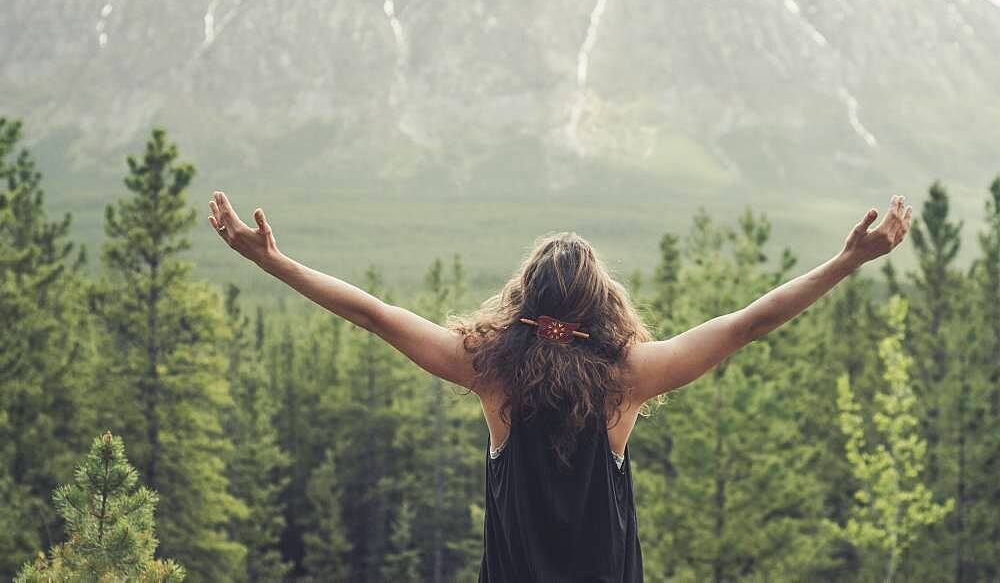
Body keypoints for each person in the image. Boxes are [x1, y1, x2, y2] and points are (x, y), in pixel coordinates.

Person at [207, 192, 913, 582]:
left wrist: (274, 262)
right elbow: (747, 324)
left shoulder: (492, 372)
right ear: (600, 302)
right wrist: (848, 260)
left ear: (524, 299)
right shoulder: (626, 379)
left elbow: (373, 314)